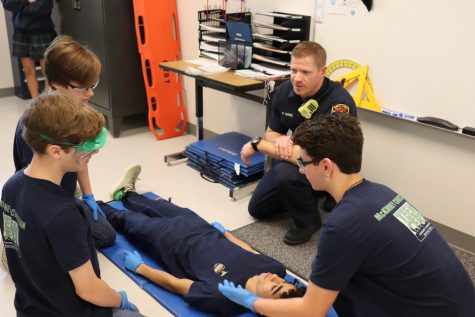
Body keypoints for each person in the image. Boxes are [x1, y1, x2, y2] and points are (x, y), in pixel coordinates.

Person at [218, 115, 475, 317]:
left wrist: (255, 303)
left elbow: (311, 312)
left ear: (327, 166)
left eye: (303, 163)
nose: (301, 170)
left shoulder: (343, 225)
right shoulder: (382, 193)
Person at [0, 92, 144, 316]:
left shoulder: (10, 186)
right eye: (87, 146)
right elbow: (89, 290)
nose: (95, 151)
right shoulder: (63, 213)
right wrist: (119, 299)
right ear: (56, 151)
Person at [99, 166, 306, 316]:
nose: (275, 279)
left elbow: (178, 284)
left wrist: (141, 268)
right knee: (153, 205)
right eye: (283, 281)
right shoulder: (276, 269)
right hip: (198, 225)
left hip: (169, 242)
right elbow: (248, 251)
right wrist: (225, 233)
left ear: (264, 307)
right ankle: (125, 194)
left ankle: (88, 206)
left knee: (126, 220)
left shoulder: (224, 299)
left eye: (275, 288)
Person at [241, 41, 357, 245]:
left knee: (285, 172)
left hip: (328, 166)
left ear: (323, 71)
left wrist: (258, 144)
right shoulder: (285, 90)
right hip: (301, 161)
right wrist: (281, 139)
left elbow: (316, 158)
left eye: (305, 72)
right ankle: (305, 194)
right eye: (293, 70)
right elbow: (272, 132)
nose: (297, 78)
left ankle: (308, 222)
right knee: (257, 209)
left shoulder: (339, 103)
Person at [12, 35, 120, 248]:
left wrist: (88, 195)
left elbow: (81, 160)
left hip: (65, 191)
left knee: (105, 233)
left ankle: (94, 201)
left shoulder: (75, 108)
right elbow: (36, 189)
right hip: (43, 199)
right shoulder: (36, 127)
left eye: (92, 85)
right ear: (56, 84)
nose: (90, 93)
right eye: (83, 88)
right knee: (80, 240)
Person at [2, 0, 56, 98]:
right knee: (28, 71)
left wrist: (20, 7)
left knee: (48, 71)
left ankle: (48, 103)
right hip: (21, 32)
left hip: (43, 30)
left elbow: (45, 7)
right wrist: (27, 1)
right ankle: (35, 104)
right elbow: (8, 4)